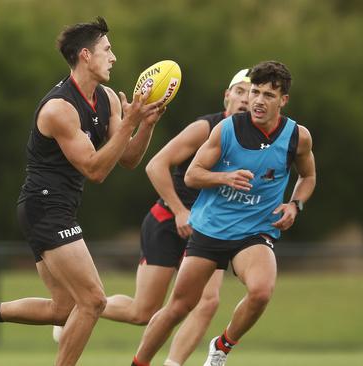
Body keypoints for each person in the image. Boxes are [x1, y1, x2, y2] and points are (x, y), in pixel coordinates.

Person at [0, 17, 165, 366]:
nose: (114, 58)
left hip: (56, 209)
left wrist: (146, 125)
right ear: (86, 56)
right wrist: (132, 122)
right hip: (44, 208)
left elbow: (128, 159)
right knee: (93, 301)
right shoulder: (59, 108)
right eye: (108, 50)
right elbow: (95, 169)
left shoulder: (107, 97)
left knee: (65, 310)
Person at [130, 60, 316, 366]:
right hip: (211, 228)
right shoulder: (226, 129)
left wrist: (295, 204)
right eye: (254, 92)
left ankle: (222, 345)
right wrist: (223, 178)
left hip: (256, 231)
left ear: (283, 100)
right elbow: (192, 175)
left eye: (268, 95)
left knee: (261, 292)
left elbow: (307, 177)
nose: (257, 100)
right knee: (178, 307)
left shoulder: (298, 136)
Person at [88, 68, 249, 366]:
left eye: (251, 93)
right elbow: (154, 166)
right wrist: (180, 211)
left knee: (208, 301)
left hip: (208, 230)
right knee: (142, 312)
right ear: (227, 95)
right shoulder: (205, 128)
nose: (244, 99)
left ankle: (172, 364)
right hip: (167, 219)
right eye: (239, 91)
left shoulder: (252, 141)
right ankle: (81, 306)